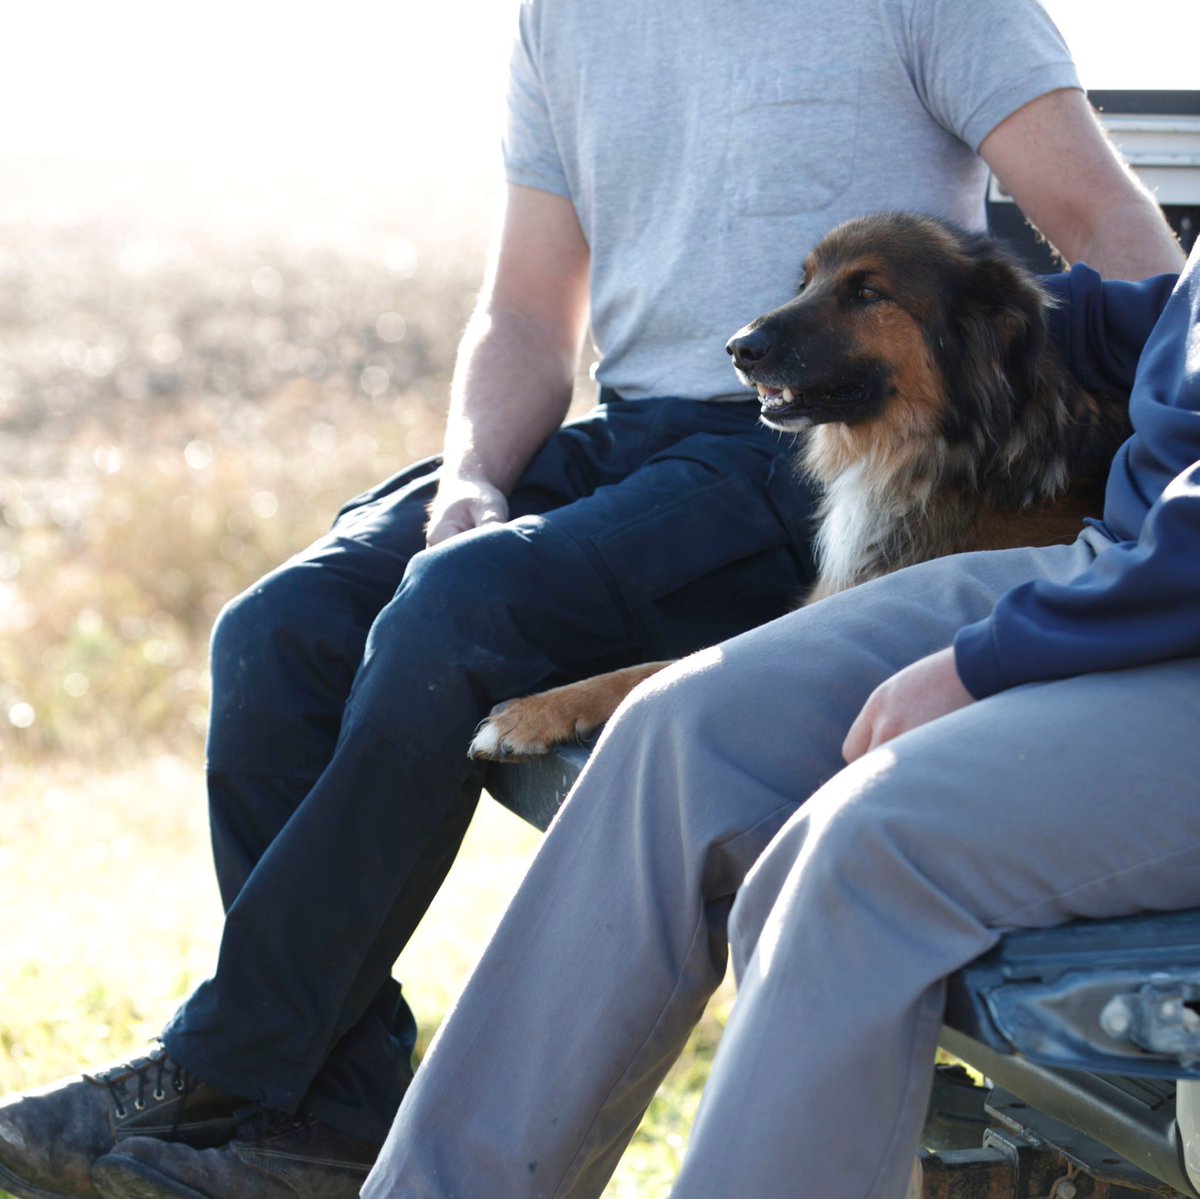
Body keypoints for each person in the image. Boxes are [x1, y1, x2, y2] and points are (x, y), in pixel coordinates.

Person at [0, 0, 1185, 1197]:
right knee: (281, 628)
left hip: (797, 457)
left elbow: (1107, 231)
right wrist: (471, 479)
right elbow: (524, 309)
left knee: (456, 614)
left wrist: (1125, 461)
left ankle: (228, 1064)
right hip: (631, 427)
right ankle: (328, 1112)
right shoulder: (568, 18)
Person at [310, 243, 1186, 1196]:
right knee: (678, 730)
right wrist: (984, 299)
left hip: (1169, 615)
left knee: (859, 849)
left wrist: (993, 659)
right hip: (1120, 563)